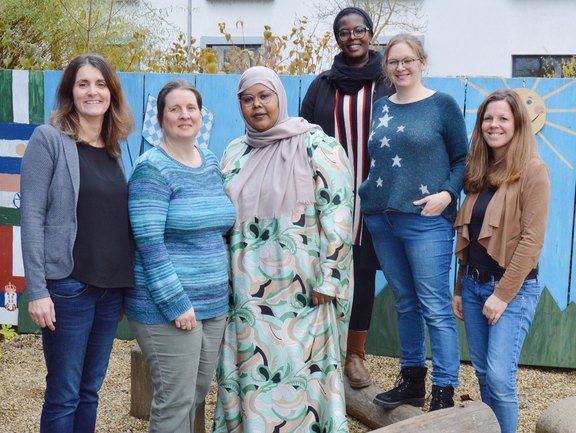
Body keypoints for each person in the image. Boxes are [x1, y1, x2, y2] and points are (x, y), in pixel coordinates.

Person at [213, 66, 354, 432]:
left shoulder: (318, 146)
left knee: (304, 373)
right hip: (247, 293)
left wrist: (331, 277)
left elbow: (338, 212)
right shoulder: (233, 153)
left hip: (305, 291)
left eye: (264, 96)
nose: (257, 106)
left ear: (280, 97)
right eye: (248, 99)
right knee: (252, 370)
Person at [20, 53, 134, 432]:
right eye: (83, 83)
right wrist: (37, 290)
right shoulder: (49, 140)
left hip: (109, 291)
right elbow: (32, 216)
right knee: (64, 393)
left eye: (100, 84)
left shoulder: (116, 148)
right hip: (68, 288)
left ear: (111, 92)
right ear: (70, 90)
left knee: (90, 391)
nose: (92, 91)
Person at [358, 33, 468, 410]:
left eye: (408, 60)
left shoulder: (443, 105)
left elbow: (464, 160)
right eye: (393, 61)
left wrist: (448, 194)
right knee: (405, 303)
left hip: (426, 220)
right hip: (381, 218)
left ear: (422, 62)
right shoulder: (380, 107)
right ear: (386, 68)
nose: (400, 67)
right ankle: (412, 380)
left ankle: (444, 392)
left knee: (434, 306)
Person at [125, 79, 235, 432]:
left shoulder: (210, 162)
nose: (185, 115)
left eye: (191, 108)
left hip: (214, 304)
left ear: (202, 116)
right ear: (160, 119)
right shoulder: (152, 168)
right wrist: (176, 303)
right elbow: (149, 244)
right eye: (175, 109)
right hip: (168, 307)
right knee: (175, 400)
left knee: (197, 391)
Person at [300, 6, 393, 389]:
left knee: (364, 273)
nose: (352, 37)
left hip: (375, 195)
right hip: (329, 196)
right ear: (336, 38)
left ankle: (354, 355)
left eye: (359, 30)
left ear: (370, 34)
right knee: (325, 271)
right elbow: (302, 136)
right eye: (343, 32)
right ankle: (320, 351)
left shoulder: (388, 81)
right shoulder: (323, 84)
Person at [452, 90, 550, 433]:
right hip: (475, 285)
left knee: (499, 376)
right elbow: (470, 236)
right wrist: (460, 289)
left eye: (503, 119)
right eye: (488, 119)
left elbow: (531, 241)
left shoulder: (533, 171)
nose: (494, 125)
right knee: (482, 373)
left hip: (513, 290)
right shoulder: (479, 170)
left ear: (518, 124)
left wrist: (503, 295)